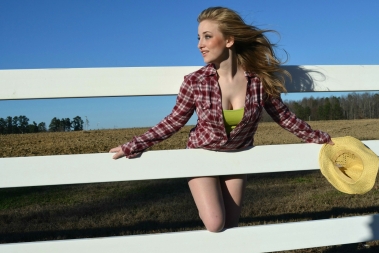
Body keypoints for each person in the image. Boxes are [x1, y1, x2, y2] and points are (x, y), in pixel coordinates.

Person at [109, 6, 334, 232]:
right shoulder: (195, 81)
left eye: (207, 37)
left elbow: (284, 117)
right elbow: (174, 121)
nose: (200, 44)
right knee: (216, 223)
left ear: (229, 40)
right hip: (202, 154)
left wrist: (320, 138)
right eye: (199, 38)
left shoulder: (258, 81)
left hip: (237, 157)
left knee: (232, 225)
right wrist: (134, 145)